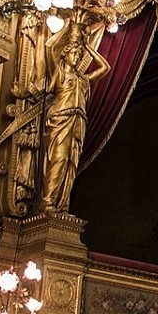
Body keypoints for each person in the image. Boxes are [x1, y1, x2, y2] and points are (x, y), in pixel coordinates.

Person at [40, 21, 110, 213]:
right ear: (65, 54)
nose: (77, 57)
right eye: (74, 53)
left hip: (78, 121)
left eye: (79, 55)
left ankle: (61, 205)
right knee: (59, 158)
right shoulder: (60, 74)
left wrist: (87, 47)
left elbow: (105, 67)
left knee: (71, 163)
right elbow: (49, 46)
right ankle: (47, 202)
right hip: (60, 119)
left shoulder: (83, 79)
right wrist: (66, 28)